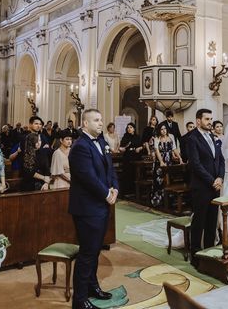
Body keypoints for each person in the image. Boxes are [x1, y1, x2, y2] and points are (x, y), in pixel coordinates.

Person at [69, 109, 118, 309]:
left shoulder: (103, 143)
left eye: (101, 119)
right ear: (85, 124)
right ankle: (79, 301)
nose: (100, 123)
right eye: (96, 120)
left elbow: (110, 169)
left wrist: (115, 188)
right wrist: (106, 194)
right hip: (88, 207)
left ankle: (92, 287)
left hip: (101, 205)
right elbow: (87, 177)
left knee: (95, 250)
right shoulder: (80, 146)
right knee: (87, 254)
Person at [185, 108, 225, 265]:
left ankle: (209, 253)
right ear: (198, 121)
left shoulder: (213, 136)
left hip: (215, 186)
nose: (210, 122)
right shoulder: (192, 138)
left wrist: (220, 177)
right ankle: (195, 257)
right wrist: (212, 180)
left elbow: (220, 160)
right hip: (201, 187)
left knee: (212, 222)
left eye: (211, 119)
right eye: (207, 119)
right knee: (199, 222)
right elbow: (195, 164)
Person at [150, 123, 180, 207]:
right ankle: (158, 202)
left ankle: (169, 202)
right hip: (160, 162)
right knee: (159, 181)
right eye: (162, 129)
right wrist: (161, 161)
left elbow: (174, 149)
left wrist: (180, 159)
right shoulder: (157, 138)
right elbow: (157, 151)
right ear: (159, 130)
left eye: (165, 129)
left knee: (169, 180)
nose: (164, 131)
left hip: (169, 161)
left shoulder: (171, 137)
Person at [119, 122, 143, 197]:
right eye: (128, 127)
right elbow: (121, 147)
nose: (129, 129)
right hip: (128, 157)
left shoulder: (137, 137)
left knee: (136, 173)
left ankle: (136, 191)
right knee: (127, 173)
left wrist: (140, 148)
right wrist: (122, 149)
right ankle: (127, 192)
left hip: (136, 156)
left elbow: (142, 146)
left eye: (131, 127)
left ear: (134, 129)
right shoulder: (125, 137)